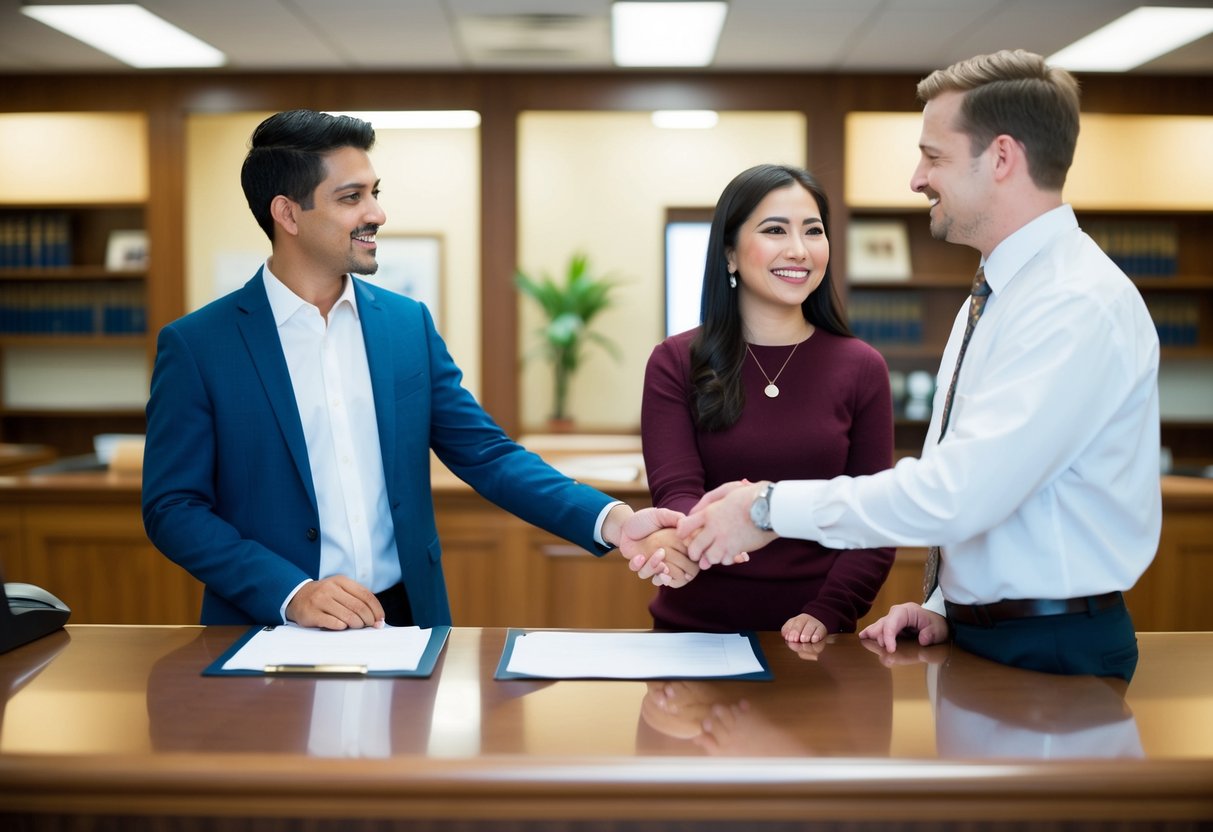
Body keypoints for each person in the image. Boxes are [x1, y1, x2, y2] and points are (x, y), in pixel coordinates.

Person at [674, 50, 1161, 682]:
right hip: (986, 635)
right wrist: (945, 608)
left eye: (934, 156)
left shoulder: (1071, 303)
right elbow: (991, 490)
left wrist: (766, 507)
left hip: (1051, 651)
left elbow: (956, 493)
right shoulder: (992, 298)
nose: (916, 178)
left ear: (1003, 158)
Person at [142, 109, 675, 630]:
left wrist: (614, 520)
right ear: (287, 214)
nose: (376, 213)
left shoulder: (405, 325)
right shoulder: (198, 345)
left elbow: (488, 455)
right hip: (268, 623)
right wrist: (291, 592)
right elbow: (173, 507)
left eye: (375, 193)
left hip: (403, 621)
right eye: (352, 198)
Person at [637, 164, 895, 642]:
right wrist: (685, 548)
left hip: (818, 639)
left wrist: (828, 611)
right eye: (775, 230)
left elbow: (872, 517)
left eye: (813, 231)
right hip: (694, 633)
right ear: (730, 254)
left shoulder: (862, 367)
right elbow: (677, 497)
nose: (798, 249)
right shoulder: (675, 362)